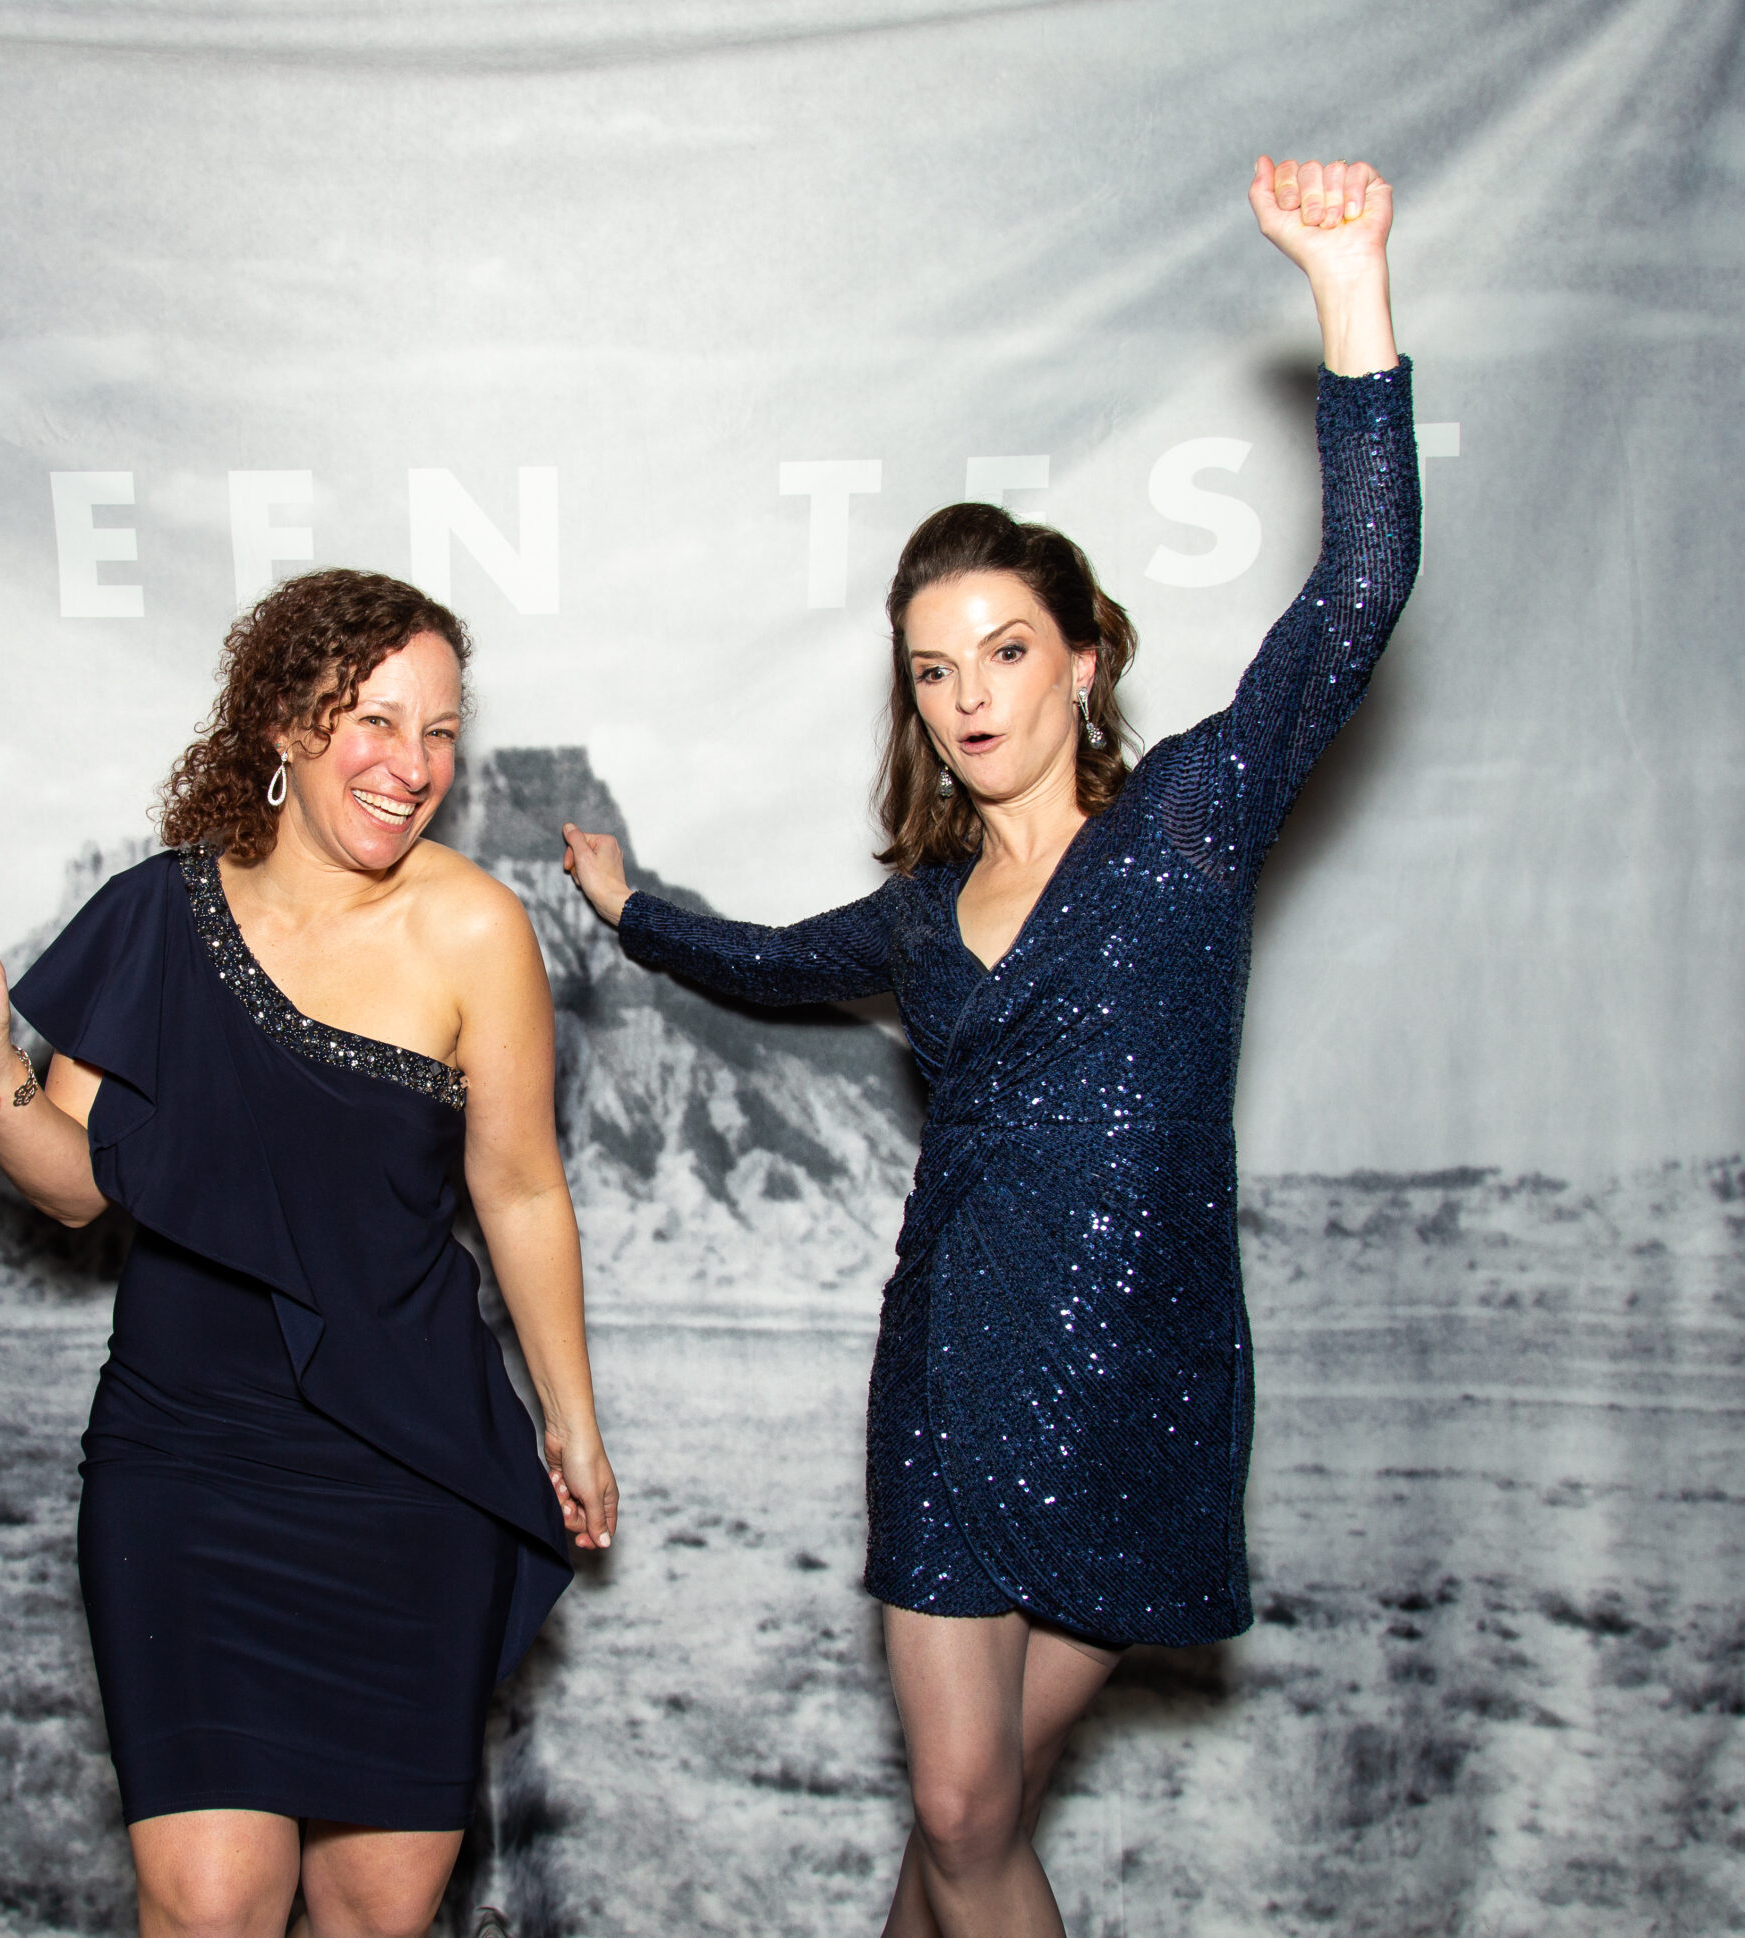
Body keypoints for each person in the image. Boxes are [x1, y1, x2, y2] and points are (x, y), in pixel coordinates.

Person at [560, 157, 1418, 1938]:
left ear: (1084, 660)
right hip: (950, 1372)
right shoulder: (919, 913)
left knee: (974, 1814)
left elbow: (1358, 592)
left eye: (1005, 652)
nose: (968, 698)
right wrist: (632, 906)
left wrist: (1349, 290)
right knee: (963, 1803)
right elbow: (767, 960)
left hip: (1138, 1386)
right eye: (934, 670)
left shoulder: (1186, 828)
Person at [0, 569, 613, 1938]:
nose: (413, 765)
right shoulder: (157, 917)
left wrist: (571, 1420)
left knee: (375, 1914)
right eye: (375, 721)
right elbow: (74, 1187)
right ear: (285, 722)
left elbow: (521, 1188)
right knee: (209, 1903)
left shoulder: (475, 928)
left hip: (413, 1479)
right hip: (186, 1465)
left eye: (440, 732)